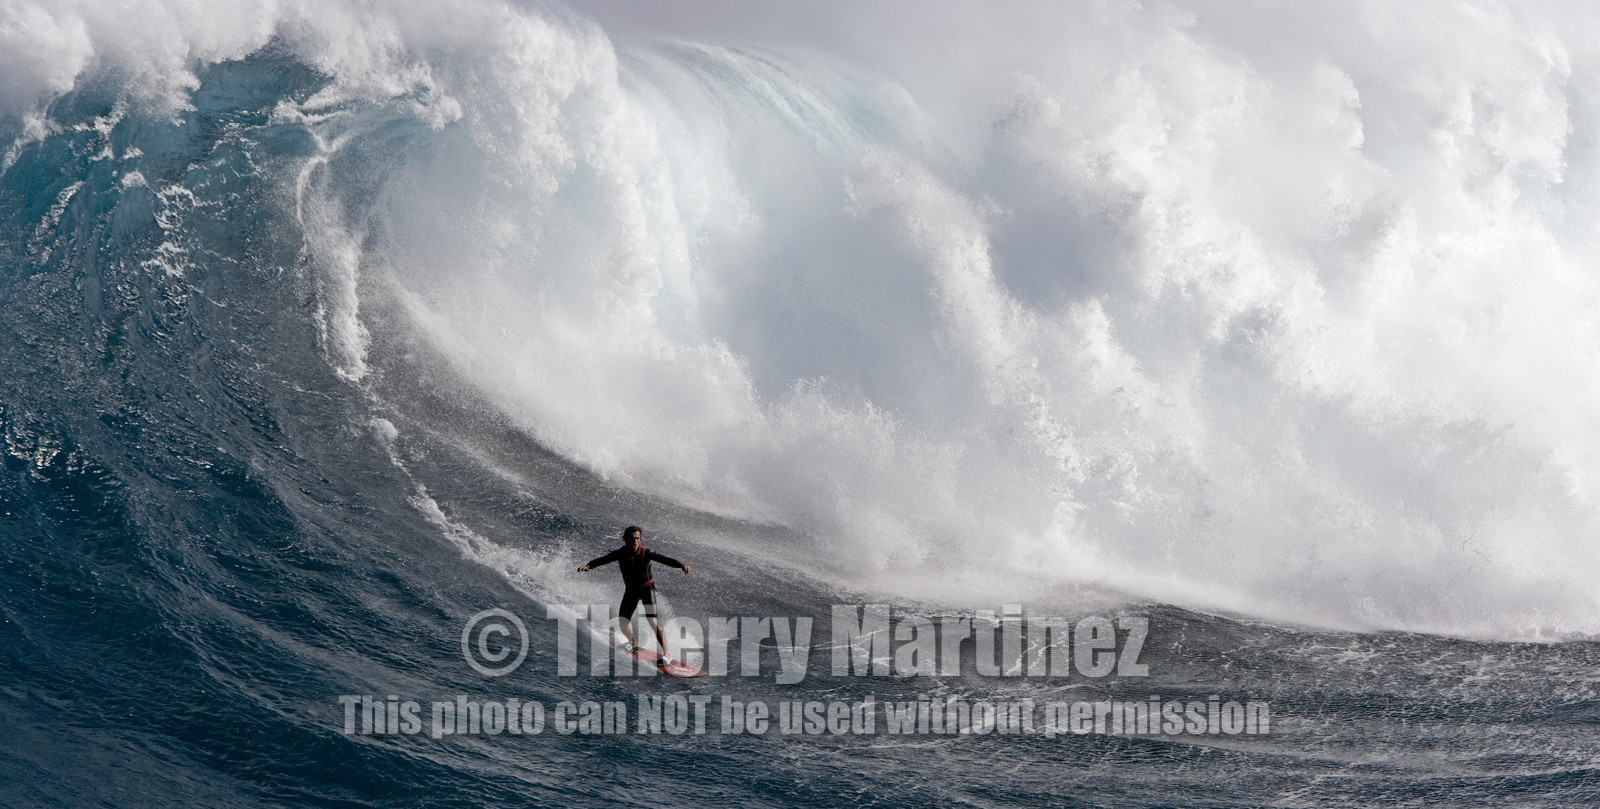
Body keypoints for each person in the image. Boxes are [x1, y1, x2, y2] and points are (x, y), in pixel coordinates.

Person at [577, 526, 692, 668]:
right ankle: (634, 645)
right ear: (625, 539)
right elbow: (602, 560)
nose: (635, 541)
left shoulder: (646, 552)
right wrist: (589, 566)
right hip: (631, 591)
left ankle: (668, 655)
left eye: (637, 538)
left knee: (653, 621)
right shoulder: (620, 553)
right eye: (632, 539)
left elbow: (665, 560)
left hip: (647, 590)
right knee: (623, 622)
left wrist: (681, 566)